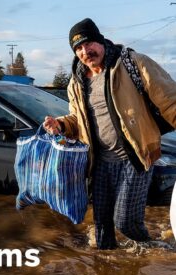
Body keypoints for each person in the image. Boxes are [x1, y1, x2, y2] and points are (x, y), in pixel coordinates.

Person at [43, 18, 176, 250]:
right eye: (79, 48)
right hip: (100, 163)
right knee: (102, 228)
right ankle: (109, 272)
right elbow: (77, 121)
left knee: (125, 221)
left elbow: (170, 100)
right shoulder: (76, 83)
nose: (86, 51)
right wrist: (61, 125)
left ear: (100, 40)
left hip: (135, 157)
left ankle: (157, 252)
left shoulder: (133, 63)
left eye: (89, 43)